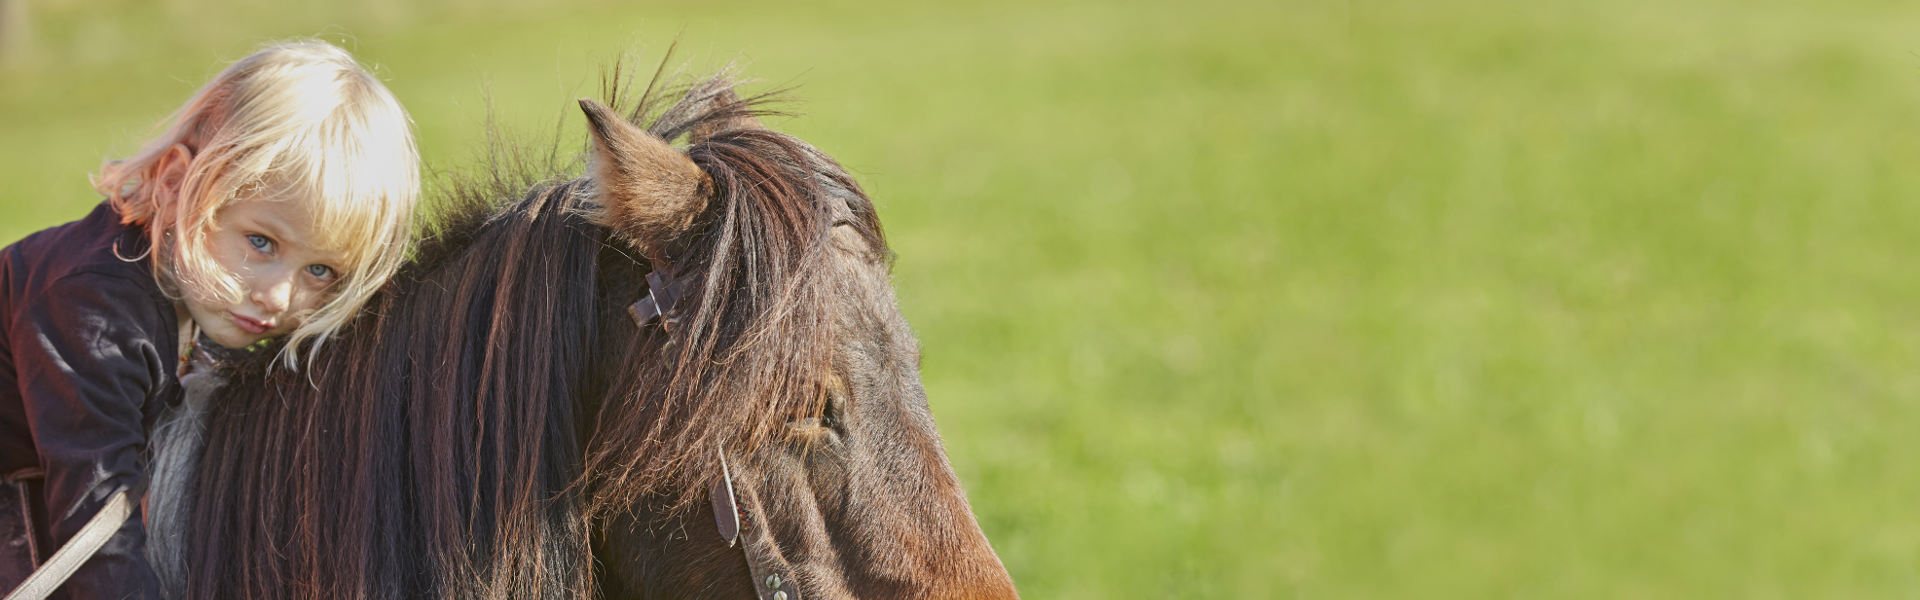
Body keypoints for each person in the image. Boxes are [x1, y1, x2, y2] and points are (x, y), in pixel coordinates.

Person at [0, 40, 420, 598]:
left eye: (320, 269)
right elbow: (96, 528)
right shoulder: (94, 311)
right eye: (261, 241)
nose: (277, 296)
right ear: (176, 184)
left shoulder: (208, 289)